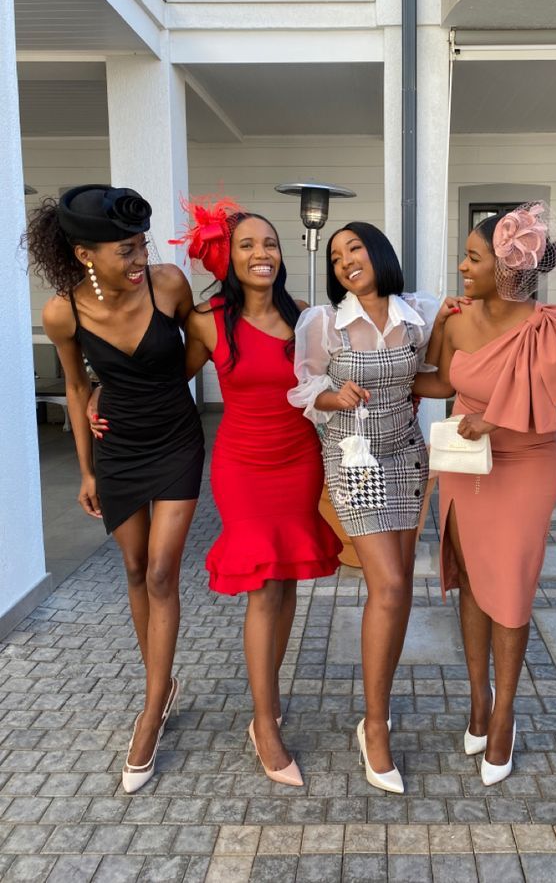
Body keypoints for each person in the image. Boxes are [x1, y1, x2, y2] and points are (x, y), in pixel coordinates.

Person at [26, 185, 205, 794]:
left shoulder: (169, 285)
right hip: (119, 451)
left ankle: (151, 710)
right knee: (132, 568)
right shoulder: (63, 313)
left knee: (160, 571)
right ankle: (163, 680)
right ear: (84, 256)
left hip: (177, 438)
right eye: (125, 251)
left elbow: (202, 342)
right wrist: (86, 469)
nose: (138, 261)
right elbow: (77, 389)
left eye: (141, 247)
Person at [177, 199, 341, 787]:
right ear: (230, 256)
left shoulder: (306, 319)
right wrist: (101, 394)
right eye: (247, 245)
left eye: (268, 243)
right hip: (242, 464)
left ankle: (266, 701)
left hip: (299, 459)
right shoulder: (208, 319)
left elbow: (343, 367)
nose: (260, 253)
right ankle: (265, 722)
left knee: (289, 577)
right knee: (265, 586)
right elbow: (166, 380)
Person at [413, 203, 556, 786]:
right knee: (472, 580)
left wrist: (497, 423)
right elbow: (437, 379)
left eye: (473, 257)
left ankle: (504, 714)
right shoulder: (457, 319)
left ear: (507, 266)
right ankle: (478, 699)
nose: (462, 265)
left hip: (525, 464)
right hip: (462, 462)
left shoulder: (552, 329)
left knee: (508, 588)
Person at [288, 221, 455, 794]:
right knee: (387, 585)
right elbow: (305, 388)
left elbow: (434, 378)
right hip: (353, 458)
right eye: (335, 257)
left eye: (353, 248)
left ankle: (375, 710)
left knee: (400, 585)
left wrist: (464, 327)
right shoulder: (324, 323)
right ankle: (375, 725)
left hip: (407, 454)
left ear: (379, 252)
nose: (344, 262)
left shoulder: (420, 313)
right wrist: (334, 396)